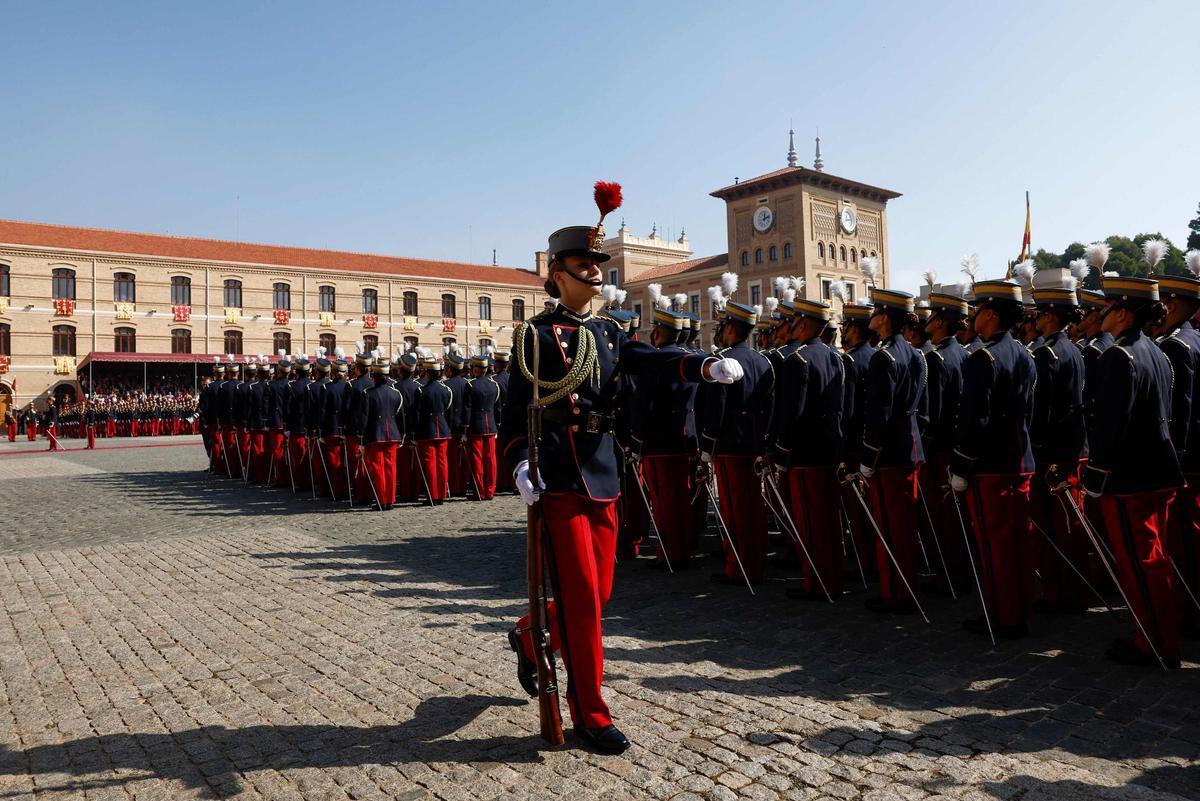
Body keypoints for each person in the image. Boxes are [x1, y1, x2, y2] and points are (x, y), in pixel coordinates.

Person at [503, 199, 743, 756]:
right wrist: (518, 462)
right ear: (557, 274)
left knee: (602, 592)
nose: (595, 269)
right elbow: (515, 415)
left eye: (597, 261)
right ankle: (589, 714)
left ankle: (528, 634)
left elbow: (649, 359)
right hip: (559, 475)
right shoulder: (535, 337)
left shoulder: (610, 333)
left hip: (604, 472)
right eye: (584, 263)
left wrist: (702, 365)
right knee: (584, 598)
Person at [1084, 275, 1183, 667]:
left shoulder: (1118, 356)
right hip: (1157, 469)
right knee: (1154, 558)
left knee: (1140, 564)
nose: (1100, 315)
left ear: (1122, 312)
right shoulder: (1156, 352)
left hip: (1129, 477)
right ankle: (1157, 635)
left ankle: (1154, 644)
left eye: (1105, 308)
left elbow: (1111, 424)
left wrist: (1097, 475)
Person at [950, 279, 1037, 639]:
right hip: (1019, 459)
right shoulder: (1023, 352)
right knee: (1016, 542)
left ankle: (1002, 616)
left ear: (990, 313)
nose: (973, 317)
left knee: (994, 545)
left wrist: (962, 464)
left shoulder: (983, 357)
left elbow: (976, 418)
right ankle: (1018, 610)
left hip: (989, 465)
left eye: (977, 310)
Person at [855, 288, 927, 615]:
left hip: (889, 452)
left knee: (889, 524)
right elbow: (921, 410)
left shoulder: (883, 358)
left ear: (884, 317)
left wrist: (868, 458)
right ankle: (904, 587)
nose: (870, 315)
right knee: (904, 524)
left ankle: (895, 592)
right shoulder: (916, 354)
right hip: (910, 445)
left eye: (875, 310)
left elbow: (878, 413)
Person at [770, 297, 845, 600]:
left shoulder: (797, 359)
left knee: (810, 523)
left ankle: (817, 583)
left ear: (803, 323)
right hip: (829, 448)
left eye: (794, 321)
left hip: (803, 452)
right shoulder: (834, 356)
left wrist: (781, 452)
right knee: (829, 519)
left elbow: (791, 412)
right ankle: (834, 578)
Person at [698, 292, 774, 586]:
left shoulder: (722, 361)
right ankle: (757, 562)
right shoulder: (763, 361)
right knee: (754, 506)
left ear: (731, 329)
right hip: (755, 443)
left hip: (729, 445)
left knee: (734, 509)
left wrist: (708, 447)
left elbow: (715, 410)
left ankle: (739, 566)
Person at [1028, 284, 1090, 614]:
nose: (1035, 319)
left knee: (1057, 526)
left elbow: (1042, 410)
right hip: (1072, 446)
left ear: (1051, 316)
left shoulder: (1047, 353)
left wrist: (1035, 444)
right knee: (1070, 523)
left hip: (1053, 450)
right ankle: (1073, 589)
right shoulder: (1072, 349)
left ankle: (1061, 593)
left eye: (1040, 313)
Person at [630, 307, 699, 568]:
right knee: (682, 497)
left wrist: (637, 441)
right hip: (685, 439)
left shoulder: (654, 361)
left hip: (658, 441)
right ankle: (684, 547)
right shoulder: (690, 358)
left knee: (663, 500)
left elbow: (641, 403)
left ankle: (669, 552)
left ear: (658, 332)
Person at [1157, 268, 1200, 636]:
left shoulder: (1176, 344)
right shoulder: (1193, 339)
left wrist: (1175, 455)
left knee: (1186, 538)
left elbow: (1179, 409)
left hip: (1188, 457)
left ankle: (1190, 608)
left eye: (1167, 301)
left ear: (1174, 303)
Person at [919, 290, 970, 593]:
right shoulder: (963, 352)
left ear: (939, 323)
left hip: (939, 448)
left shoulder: (937, 358)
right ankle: (959, 572)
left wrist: (925, 443)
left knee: (940, 518)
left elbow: (933, 412)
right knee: (956, 517)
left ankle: (947, 577)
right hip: (957, 443)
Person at [358, 357, 405, 509]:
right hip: (393, 434)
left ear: (375, 377)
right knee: (391, 468)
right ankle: (389, 500)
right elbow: (400, 416)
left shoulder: (367, 394)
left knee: (378, 469)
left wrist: (361, 439)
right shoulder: (396, 393)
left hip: (375, 435)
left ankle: (380, 499)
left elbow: (364, 418)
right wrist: (401, 435)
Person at [415, 355, 453, 504]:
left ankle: (433, 494)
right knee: (442, 463)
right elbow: (448, 410)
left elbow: (418, 414)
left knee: (430, 464)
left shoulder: (421, 390)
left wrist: (416, 432)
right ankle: (441, 494)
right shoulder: (446, 390)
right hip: (443, 429)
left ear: (428, 373)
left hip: (427, 430)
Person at [464, 354, 500, 500]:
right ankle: (490, 490)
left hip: (476, 426)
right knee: (491, 460)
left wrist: (465, 428)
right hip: (491, 426)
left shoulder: (471, 385)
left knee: (477, 460)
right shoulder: (494, 385)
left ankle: (480, 491)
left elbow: (467, 408)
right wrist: (497, 425)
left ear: (478, 370)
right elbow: (498, 409)